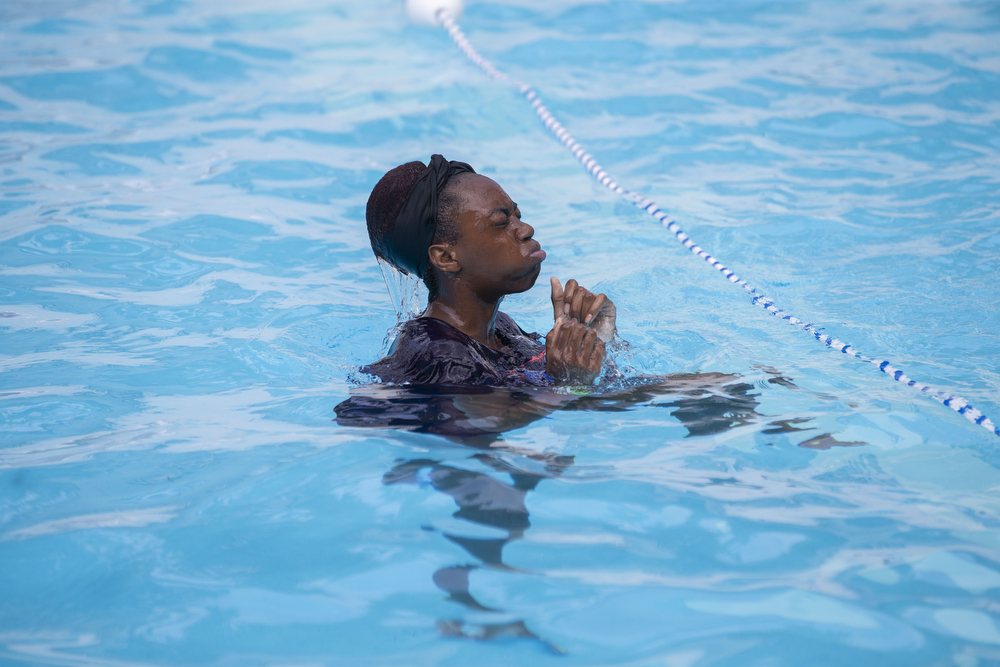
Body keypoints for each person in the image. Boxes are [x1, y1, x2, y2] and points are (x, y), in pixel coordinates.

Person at [362, 154, 616, 388]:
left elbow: (603, 390)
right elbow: (479, 429)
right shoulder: (439, 354)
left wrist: (595, 339)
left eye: (518, 215)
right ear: (447, 257)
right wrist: (569, 384)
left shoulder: (502, 330)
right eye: (501, 223)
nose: (526, 229)